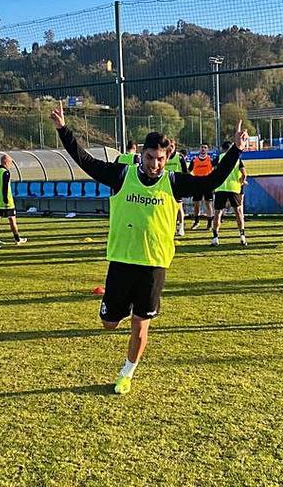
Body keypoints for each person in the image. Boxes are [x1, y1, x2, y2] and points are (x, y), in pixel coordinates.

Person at [51, 105, 246, 394]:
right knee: (109, 323)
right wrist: (63, 130)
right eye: (150, 157)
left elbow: (211, 181)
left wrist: (236, 150)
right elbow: (86, 161)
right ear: (141, 155)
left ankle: (126, 374)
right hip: (121, 262)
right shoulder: (121, 175)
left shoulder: (174, 182)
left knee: (140, 325)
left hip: (154, 265)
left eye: (160, 159)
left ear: (168, 159)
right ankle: (121, 309)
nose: (155, 164)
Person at [211, 140, 247, 246]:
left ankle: (215, 238)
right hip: (233, 188)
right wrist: (241, 182)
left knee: (217, 213)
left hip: (220, 187)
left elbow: (212, 170)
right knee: (238, 212)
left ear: (222, 149)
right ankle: (242, 237)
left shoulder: (219, 158)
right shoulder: (237, 158)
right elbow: (244, 173)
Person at [0, 154, 27, 248]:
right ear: (5, 162)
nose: (11, 165)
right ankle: (17, 239)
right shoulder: (5, 172)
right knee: (12, 220)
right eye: (10, 162)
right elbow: (5, 187)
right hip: (6, 202)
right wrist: (5, 199)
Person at [163, 140, 188, 236]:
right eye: (169, 146)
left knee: (179, 207)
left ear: (175, 147)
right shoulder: (164, 156)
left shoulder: (179, 157)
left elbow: (185, 171)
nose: (171, 148)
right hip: (166, 185)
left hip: (177, 185)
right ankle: (171, 227)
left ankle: (181, 227)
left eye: (172, 146)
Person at [188, 143, 215, 230]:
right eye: (202, 147)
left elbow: (214, 170)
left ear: (207, 149)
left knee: (208, 204)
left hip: (207, 184)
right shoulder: (194, 160)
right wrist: (192, 179)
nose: (203, 149)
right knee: (196, 204)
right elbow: (188, 171)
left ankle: (210, 223)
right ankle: (196, 222)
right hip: (197, 183)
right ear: (199, 149)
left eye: (205, 147)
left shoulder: (210, 160)